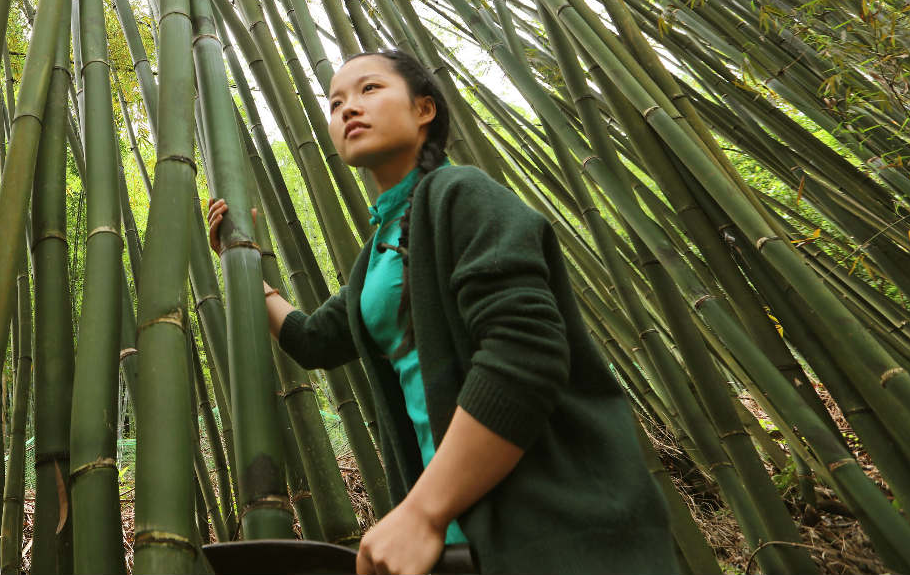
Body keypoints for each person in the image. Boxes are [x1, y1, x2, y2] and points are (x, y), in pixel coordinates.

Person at [207, 50, 677, 575]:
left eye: (369, 90)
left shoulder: (463, 194)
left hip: (555, 525)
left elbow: (525, 353)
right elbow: (314, 339)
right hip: (459, 536)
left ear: (424, 109)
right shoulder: (380, 252)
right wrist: (242, 264)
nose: (347, 109)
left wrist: (423, 512)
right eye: (335, 102)